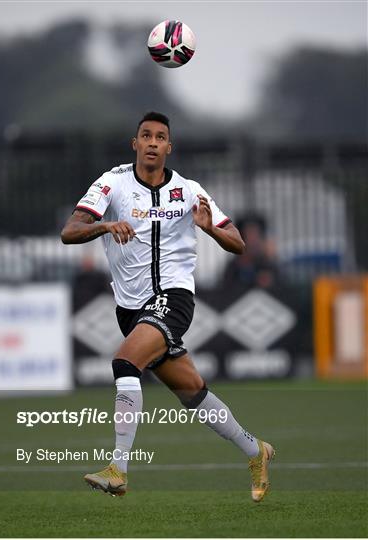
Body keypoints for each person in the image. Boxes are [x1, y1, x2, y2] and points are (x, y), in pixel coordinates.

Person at [61, 112, 275, 502]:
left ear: (169, 147)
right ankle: (255, 450)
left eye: (161, 137)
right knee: (192, 391)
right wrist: (105, 226)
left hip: (173, 299)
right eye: (146, 136)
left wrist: (210, 228)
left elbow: (238, 242)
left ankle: (118, 469)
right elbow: (69, 232)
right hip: (131, 309)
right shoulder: (113, 183)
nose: (153, 142)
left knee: (125, 363)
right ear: (135, 144)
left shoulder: (189, 190)